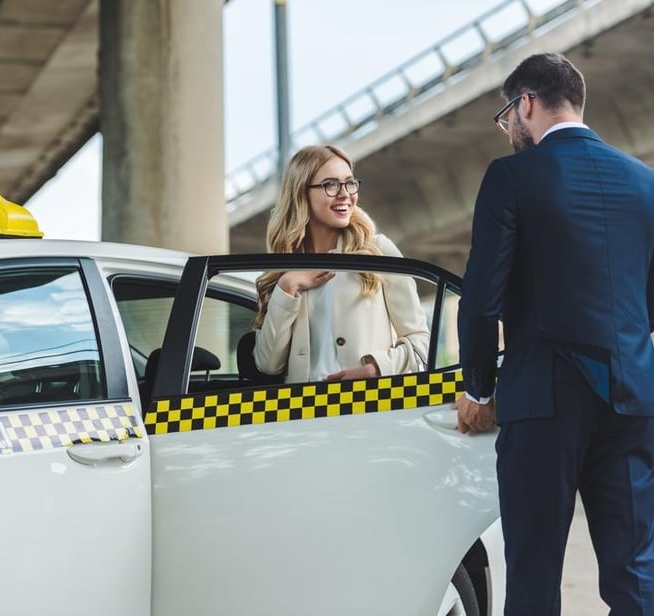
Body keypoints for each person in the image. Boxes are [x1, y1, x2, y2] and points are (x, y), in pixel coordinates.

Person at [453, 52, 654, 614]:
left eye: (507, 114)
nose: (510, 127)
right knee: (637, 576)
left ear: (527, 104)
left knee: (535, 576)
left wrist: (479, 390)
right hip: (634, 397)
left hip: (543, 402)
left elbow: (481, 301)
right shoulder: (646, 184)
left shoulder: (511, 176)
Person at [252, 144, 429, 384]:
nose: (345, 193)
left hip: (369, 409)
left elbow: (421, 343)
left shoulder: (378, 252)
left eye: (349, 182)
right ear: (301, 193)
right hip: (302, 415)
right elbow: (268, 364)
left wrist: (376, 369)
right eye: (331, 185)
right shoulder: (282, 270)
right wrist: (287, 286)